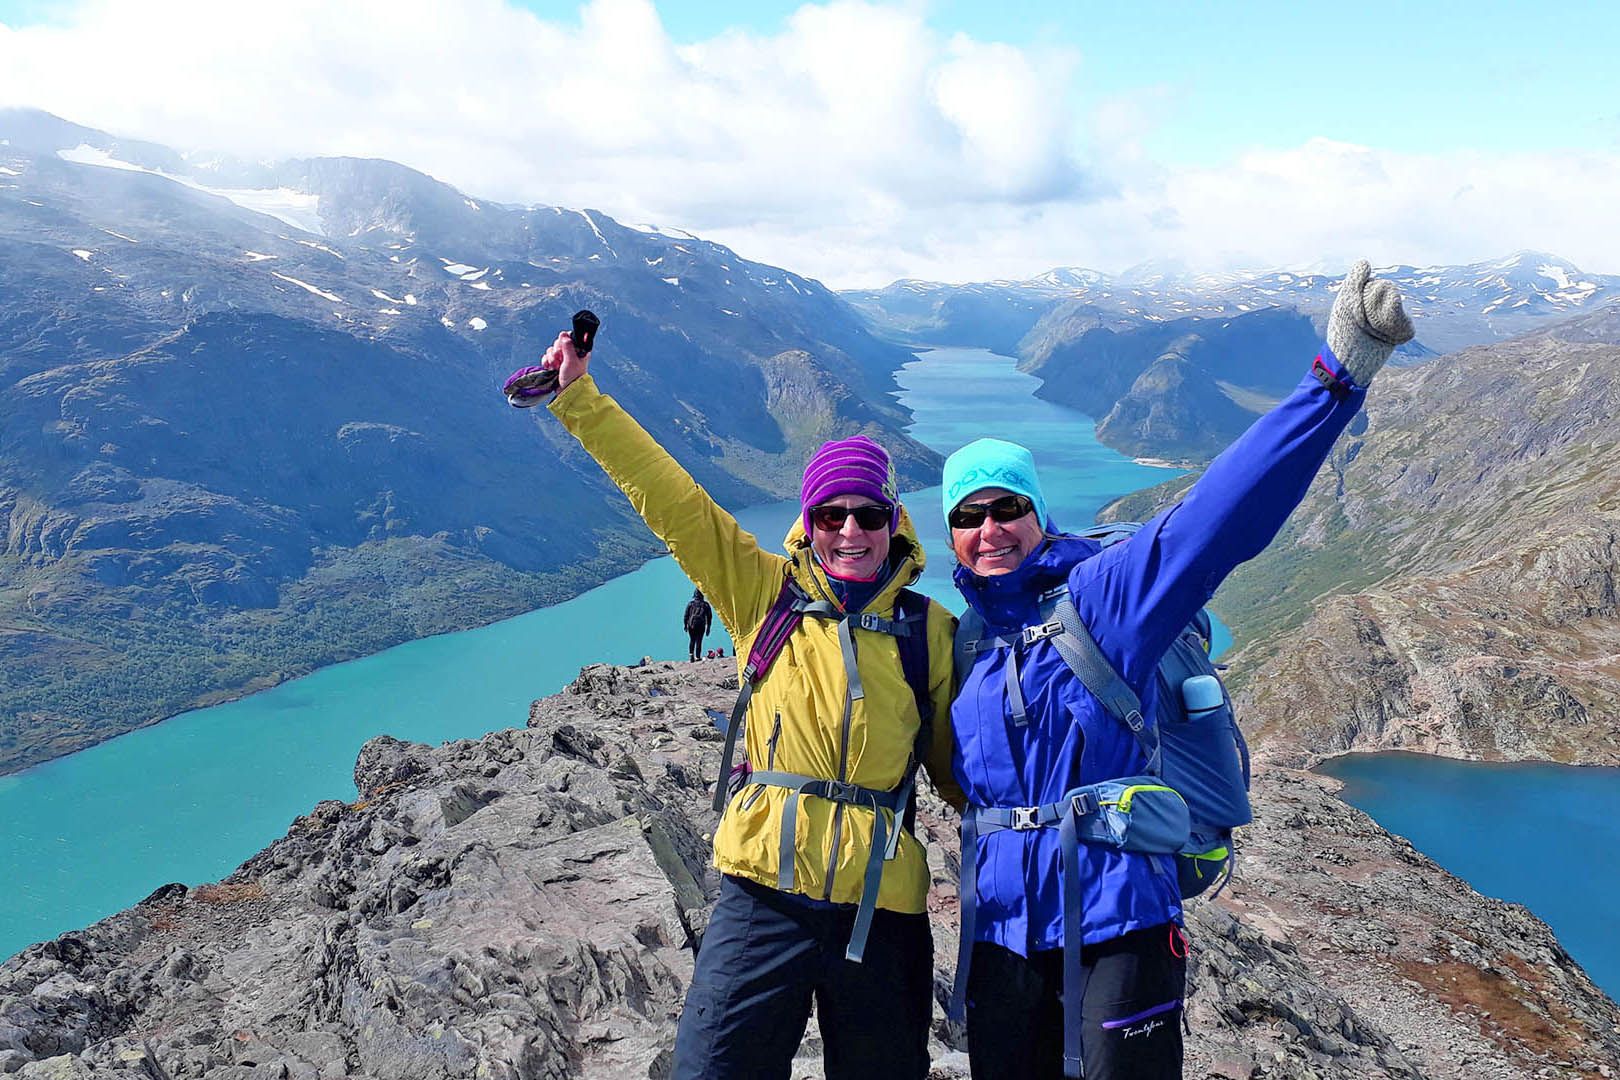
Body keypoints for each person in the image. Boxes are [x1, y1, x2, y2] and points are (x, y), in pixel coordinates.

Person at [943, 261, 1414, 1080]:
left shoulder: (1102, 601)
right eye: (968, 516)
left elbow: (1218, 517)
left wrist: (1339, 376)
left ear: (1037, 514)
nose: (991, 528)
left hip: (1118, 915)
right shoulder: (965, 645)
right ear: (952, 536)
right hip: (1000, 937)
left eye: (1007, 507)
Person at [528, 326, 965, 1080]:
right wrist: (579, 400)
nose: (851, 531)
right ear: (811, 523)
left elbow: (964, 775)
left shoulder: (929, 633)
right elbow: (675, 503)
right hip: (764, 890)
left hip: (882, 908)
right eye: (833, 515)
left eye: (868, 514)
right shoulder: (765, 593)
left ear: (895, 520)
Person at [684, 588, 713, 661]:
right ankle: (697, 656)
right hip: (701, 625)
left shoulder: (691, 604)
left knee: (692, 640)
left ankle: (691, 655)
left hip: (691, 625)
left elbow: (686, 615)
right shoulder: (705, 605)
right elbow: (709, 617)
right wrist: (708, 628)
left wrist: (685, 625)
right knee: (699, 641)